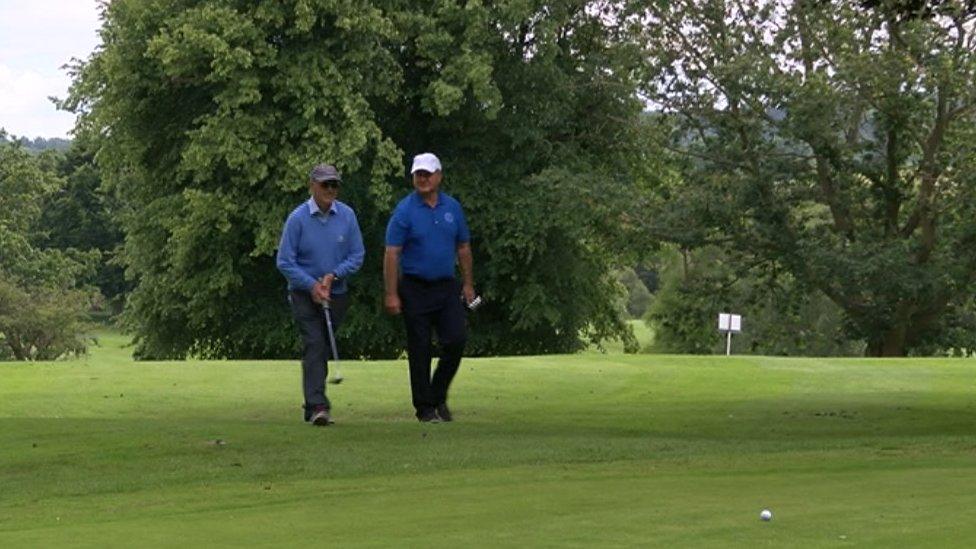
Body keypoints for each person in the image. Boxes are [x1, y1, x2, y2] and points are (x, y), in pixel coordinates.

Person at [384, 152, 476, 423]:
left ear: (439, 176)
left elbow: (463, 247)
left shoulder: (452, 208)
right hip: (414, 287)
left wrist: (468, 284)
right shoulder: (405, 211)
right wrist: (391, 293)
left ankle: (437, 394)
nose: (422, 179)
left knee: (456, 340)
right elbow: (392, 253)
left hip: (447, 286)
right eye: (418, 174)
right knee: (420, 347)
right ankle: (425, 407)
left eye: (427, 174)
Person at [277, 164, 364, 426]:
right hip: (304, 293)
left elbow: (357, 256)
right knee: (314, 343)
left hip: (336, 292)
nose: (330, 190)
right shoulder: (298, 218)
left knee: (322, 345)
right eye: (325, 184)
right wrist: (312, 285)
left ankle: (312, 405)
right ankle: (318, 405)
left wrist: (333, 276)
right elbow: (285, 262)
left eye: (334, 185)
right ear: (312, 185)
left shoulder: (347, 216)